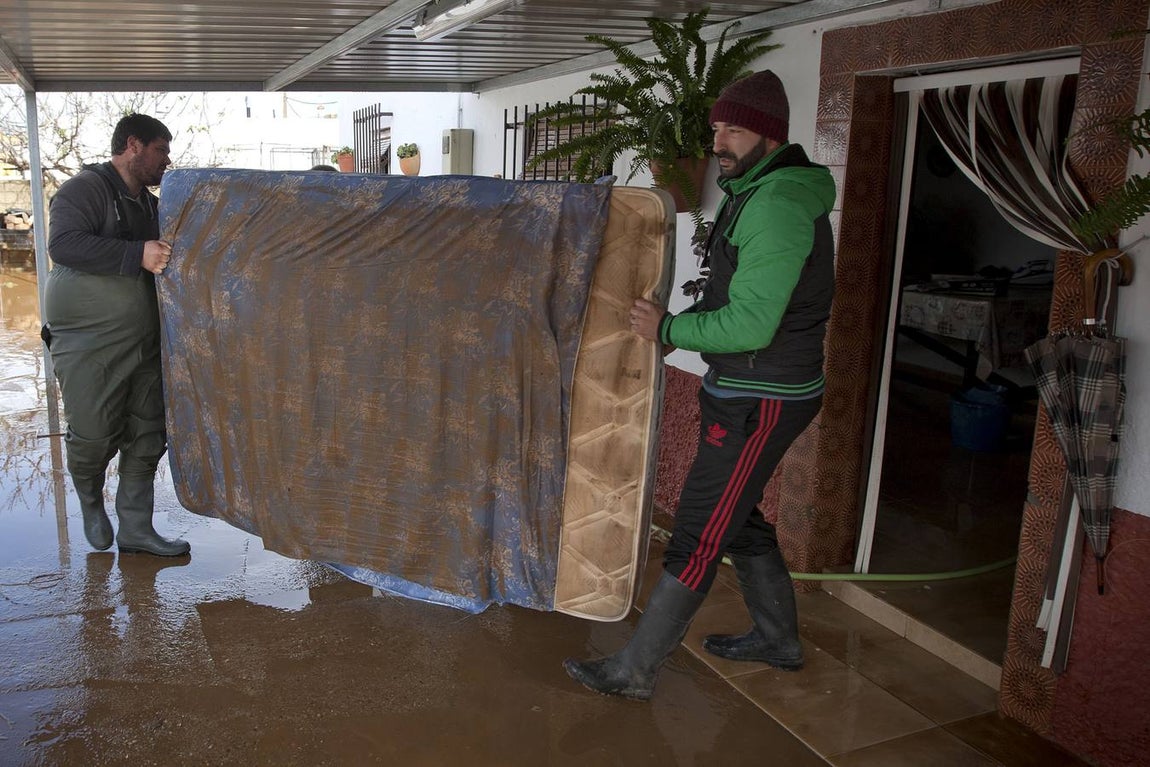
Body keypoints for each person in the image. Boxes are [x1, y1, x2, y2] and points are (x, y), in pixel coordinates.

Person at [563, 70, 836, 700]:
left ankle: (634, 670)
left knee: (701, 529)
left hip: (761, 395)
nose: (720, 142)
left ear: (770, 136)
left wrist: (669, 328)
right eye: (716, 128)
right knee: (736, 520)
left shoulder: (778, 204)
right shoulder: (761, 188)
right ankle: (779, 639)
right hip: (752, 388)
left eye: (735, 129)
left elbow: (752, 322)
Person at [43, 113, 189, 557]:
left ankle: (136, 529)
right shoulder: (86, 189)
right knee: (93, 430)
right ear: (133, 145)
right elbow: (63, 244)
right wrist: (135, 253)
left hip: (143, 340)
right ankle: (90, 501)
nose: (167, 160)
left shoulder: (147, 202)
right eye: (161, 149)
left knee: (147, 431)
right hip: (90, 342)